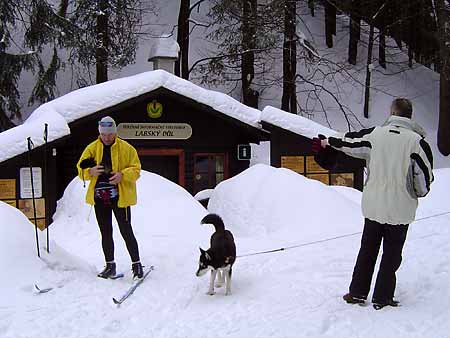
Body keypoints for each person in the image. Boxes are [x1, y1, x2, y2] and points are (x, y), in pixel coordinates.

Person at [312, 98, 434, 310]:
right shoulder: (417, 143)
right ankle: (382, 297)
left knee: (367, 249)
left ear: (392, 112)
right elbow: (423, 181)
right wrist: (414, 192)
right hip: (400, 209)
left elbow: (348, 141)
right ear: (410, 115)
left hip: (374, 206)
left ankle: (358, 292)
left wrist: (326, 142)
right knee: (391, 254)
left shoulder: (375, 135)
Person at [77, 116, 143, 280]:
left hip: (120, 197)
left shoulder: (127, 149)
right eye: (104, 134)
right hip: (99, 198)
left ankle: (137, 264)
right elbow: (80, 168)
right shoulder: (92, 148)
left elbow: (136, 169)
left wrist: (122, 175)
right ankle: (110, 265)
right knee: (105, 232)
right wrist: (89, 172)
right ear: (100, 133)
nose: (107, 137)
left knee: (126, 230)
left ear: (115, 132)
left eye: (110, 134)